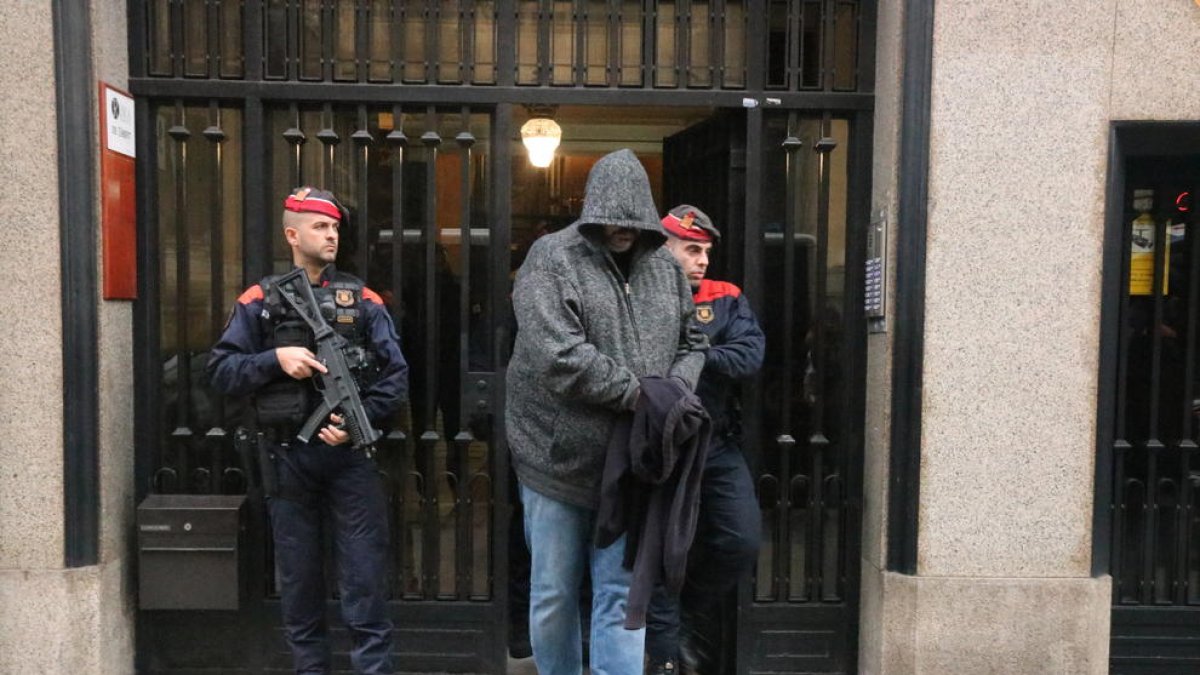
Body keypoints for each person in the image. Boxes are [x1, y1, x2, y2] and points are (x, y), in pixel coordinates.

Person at [506, 149, 708, 675]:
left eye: (631, 219)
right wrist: (644, 395)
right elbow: (558, 356)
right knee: (554, 593)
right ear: (593, 211)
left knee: (622, 596)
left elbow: (694, 342)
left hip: (633, 462)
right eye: (610, 219)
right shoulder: (551, 258)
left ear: (644, 213)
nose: (621, 229)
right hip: (557, 462)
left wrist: (674, 393)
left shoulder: (665, 265)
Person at [208, 187, 408, 675]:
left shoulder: (362, 299)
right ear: (292, 234)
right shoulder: (259, 301)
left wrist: (359, 423)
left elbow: (396, 376)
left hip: (349, 460)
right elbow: (219, 371)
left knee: (365, 582)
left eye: (336, 227)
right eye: (321, 226)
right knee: (299, 584)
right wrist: (274, 360)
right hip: (286, 458)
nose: (332, 235)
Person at [646, 204, 765, 675]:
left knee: (741, 539)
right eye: (692, 249)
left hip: (715, 444)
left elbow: (748, 356)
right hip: (660, 446)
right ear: (665, 249)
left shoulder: (726, 296)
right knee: (656, 554)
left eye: (706, 252)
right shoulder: (642, 292)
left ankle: (686, 618)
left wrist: (693, 354)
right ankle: (666, 656)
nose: (703, 261)